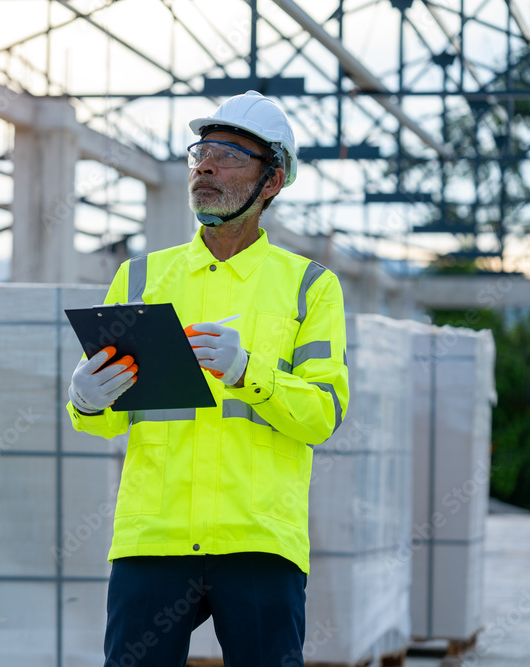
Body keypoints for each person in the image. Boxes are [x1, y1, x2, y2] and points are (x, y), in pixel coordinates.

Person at [66, 91, 350, 666]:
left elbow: (322, 415)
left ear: (271, 182)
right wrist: (85, 401)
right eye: (201, 153)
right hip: (155, 536)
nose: (205, 167)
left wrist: (250, 372)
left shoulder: (309, 287)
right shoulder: (140, 276)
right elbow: (98, 423)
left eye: (228, 155)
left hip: (257, 541)